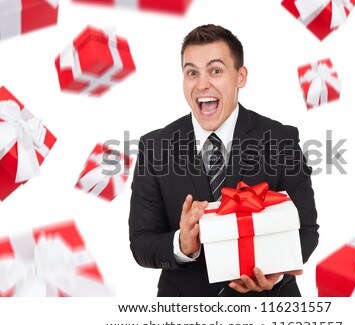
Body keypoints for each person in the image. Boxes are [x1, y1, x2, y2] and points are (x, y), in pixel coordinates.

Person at [129, 24, 319, 296]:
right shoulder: (154, 147)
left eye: (215, 71)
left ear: (240, 76)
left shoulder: (281, 139)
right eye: (192, 72)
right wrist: (182, 245)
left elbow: (306, 231)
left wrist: (275, 276)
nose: (202, 83)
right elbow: (141, 242)